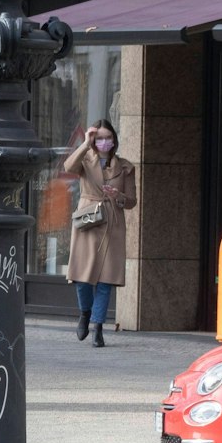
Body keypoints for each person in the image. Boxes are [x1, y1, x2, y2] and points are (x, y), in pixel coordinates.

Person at [63, 119, 136, 348]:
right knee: (82, 278)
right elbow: (68, 167)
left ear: (114, 140)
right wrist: (85, 143)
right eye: (100, 138)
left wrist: (117, 195)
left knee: (105, 281)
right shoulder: (85, 159)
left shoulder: (125, 166)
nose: (105, 142)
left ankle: (98, 328)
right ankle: (85, 312)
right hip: (88, 220)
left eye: (108, 138)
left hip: (112, 222)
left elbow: (132, 200)